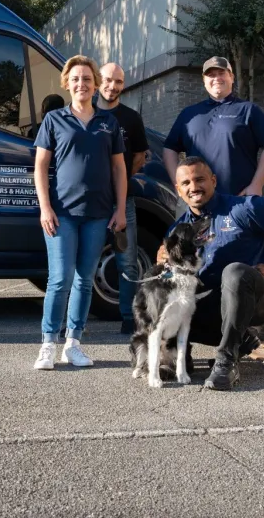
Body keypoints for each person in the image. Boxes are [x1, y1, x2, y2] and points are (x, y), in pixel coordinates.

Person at [163, 156, 264, 390]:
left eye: (199, 179)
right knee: (163, 281)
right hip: (211, 307)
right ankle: (179, 351)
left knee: (234, 272)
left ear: (214, 181)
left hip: (257, 298)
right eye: (186, 183)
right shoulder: (178, 229)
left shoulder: (244, 207)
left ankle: (226, 361)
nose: (194, 187)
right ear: (178, 191)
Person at [32, 55, 128, 370]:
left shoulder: (108, 123)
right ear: (67, 83)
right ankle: (48, 343)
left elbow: (119, 168)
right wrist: (45, 207)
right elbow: (40, 167)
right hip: (61, 213)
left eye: (87, 79)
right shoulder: (54, 120)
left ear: (94, 84)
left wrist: (121, 209)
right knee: (60, 279)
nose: (81, 84)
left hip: (98, 213)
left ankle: (73, 343)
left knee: (85, 280)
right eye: (76, 78)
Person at [163, 57, 264, 197]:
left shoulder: (248, 110)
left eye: (221, 73)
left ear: (231, 77)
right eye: (211, 75)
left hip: (239, 199)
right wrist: (180, 186)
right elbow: (169, 149)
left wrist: (257, 184)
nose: (216, 78)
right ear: (204, 80)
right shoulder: (189, 114)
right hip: (197, 200)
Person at [95, 62, 150, 334]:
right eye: (107, 80)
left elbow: (139, 156)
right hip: (90, 202)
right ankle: (74, 323)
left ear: (123, 85)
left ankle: (129, 317)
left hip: (122, 201)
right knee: (83, 259)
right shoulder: (86, 113)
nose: (112, 86)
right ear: (97, 81)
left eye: (117, 81)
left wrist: (122, 181)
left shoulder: (131, 118)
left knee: (127, 260)